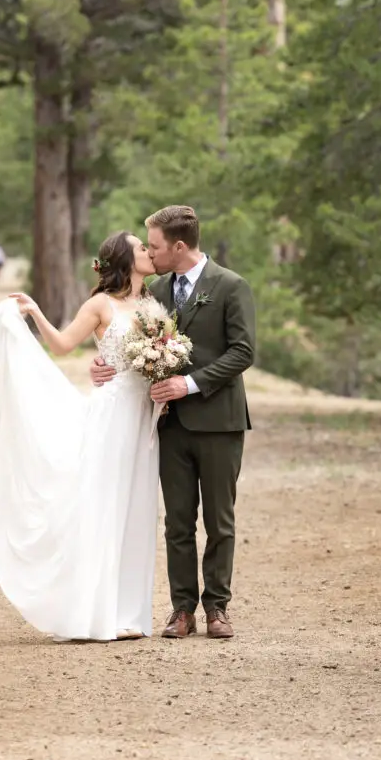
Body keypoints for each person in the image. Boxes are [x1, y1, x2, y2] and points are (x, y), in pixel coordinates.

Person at [0, 231, 160, 642]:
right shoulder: (100, 304)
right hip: (112, 415)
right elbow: (63, 345)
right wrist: (36, 313)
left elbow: (160, 357)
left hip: (143, 419)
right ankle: (91, 612)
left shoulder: (153, 304)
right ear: (124, 259)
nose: (149, 253)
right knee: (103, 507)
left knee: (136, 509)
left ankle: (128, 613)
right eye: (140, 248)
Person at [90, 205, 256, 639]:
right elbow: (127, 341)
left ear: (180, 246)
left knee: (220, 521)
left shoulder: (231, 286)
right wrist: (104, 366)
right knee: (177, 522)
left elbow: (243, 352)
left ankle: (217, 608)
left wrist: (191, 384)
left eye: (157, 246)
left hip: (220, 421)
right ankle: (182, 609)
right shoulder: (154, 291)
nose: (151, 253)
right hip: (167, 424)